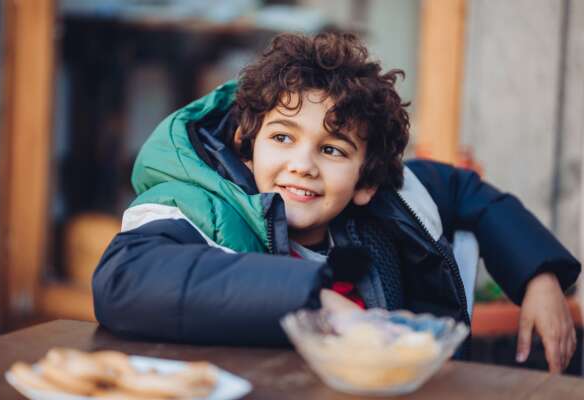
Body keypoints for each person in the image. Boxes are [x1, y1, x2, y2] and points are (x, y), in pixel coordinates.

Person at [93, 32, 580, 372]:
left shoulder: (392, 200)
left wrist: (539, 277)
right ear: (247, 143)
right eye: (283, 137)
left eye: (331, 149)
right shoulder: (196, 204)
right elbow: (123, 280)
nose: (303, 164)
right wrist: (313, 297)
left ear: (367, 182)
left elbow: (466, 191)